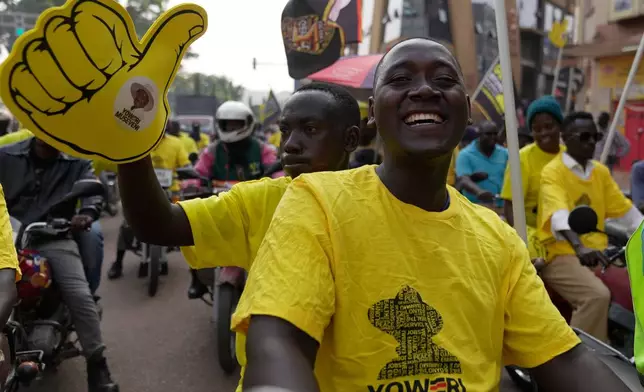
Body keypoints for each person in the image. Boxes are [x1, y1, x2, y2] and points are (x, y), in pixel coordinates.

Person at [232, 37, 628, 392]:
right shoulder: (314, 201)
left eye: (443, 80)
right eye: (400, 80)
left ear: (467, 110)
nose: (423, 89)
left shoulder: (500, 240)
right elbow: (277, 340)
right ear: (372, 113)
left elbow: (565, 358)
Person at [114, 82, 359, 392]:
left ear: (350, 138)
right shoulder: (256, 200)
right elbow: (156, 224)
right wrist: (126, 142)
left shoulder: (382, 203)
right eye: (286, 131)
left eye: (310, 129)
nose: (291, 145)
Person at [0, 137, 117, 391]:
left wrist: (86, 214)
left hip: (52, 238)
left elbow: (92, 195)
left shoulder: (77, 161)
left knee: (79, 293)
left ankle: (98, 365)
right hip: (6, 238)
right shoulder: (6, 156)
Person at [537, 111, 643, 342]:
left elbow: (628, 213)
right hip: (561, 254)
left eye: (595, 137)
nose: (591, 143)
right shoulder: (553, 172)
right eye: (584, 136)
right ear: (565, 137)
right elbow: (558, 215)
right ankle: (580, 362)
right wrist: (579, 246)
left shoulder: (600, 172)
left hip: (600, 254)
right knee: (596, 296)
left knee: (637, 289)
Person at [185, 101, 278, 298]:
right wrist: (192, 183)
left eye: (236, 124)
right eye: (228, 124)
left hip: (254, 209)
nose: (232, 128)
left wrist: (275, 180)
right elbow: (198, 172)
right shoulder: (212, 150)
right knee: (195, 237)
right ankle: (197, 279)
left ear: (248, 123)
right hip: (218, 206)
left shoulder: (262, 149)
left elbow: (276, 170)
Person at [107, 120, 191, 279]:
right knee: (126, 224)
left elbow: (185, 164)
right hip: (140, 192)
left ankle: (191, 266)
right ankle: (118, 262)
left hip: (170, 191)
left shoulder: (176, 143)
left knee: (183, 219)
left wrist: (186, 171)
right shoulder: (138, 142)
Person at [501, 95, 565, 260]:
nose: (544, 133)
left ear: (560, 126)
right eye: (537, 129)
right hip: (532, 236)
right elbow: (510, 206)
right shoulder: (521, 158)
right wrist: (523, 241)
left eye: (549, 126)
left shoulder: (570, 157)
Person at [455, 120, 508, 213]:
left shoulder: (505, 153)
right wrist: (479, 192)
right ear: (479, 135)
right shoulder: (465, 155)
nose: (493, 137)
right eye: (488, 134)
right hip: (475, 208)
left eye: (495, 134)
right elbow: (464, 179)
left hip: (502, 208)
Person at [0, 184, 19, 332]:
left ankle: (92, 346)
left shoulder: (77, 165)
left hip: (56, 236)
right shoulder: (9, 161)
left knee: (77, 292)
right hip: (18, 227)